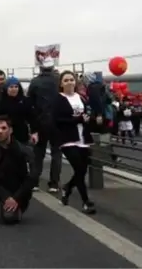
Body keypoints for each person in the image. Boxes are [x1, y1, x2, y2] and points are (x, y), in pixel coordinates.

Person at [53, 71, 96, 214]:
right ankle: (86, 201)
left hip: (83, 137)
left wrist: (90, 118)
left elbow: (88, 113)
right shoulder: (58, 99)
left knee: (82, 169)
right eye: (66, 80)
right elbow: (58, 120)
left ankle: (67, 187)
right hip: (67, 139)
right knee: (79, 168)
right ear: (61, 84)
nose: (69, 82)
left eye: (71, 79)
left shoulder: (81, 98)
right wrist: (77, 119)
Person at [27, 61, 61, 193]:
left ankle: (35, 182)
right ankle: (54, 184)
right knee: (56, 153)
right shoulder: (59, 80)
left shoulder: (35, 82)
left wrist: (33, 127)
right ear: (52, 67)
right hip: (58, 122)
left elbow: (30, 103)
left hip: (40, 122)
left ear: (40, 68)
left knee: (38, 154)